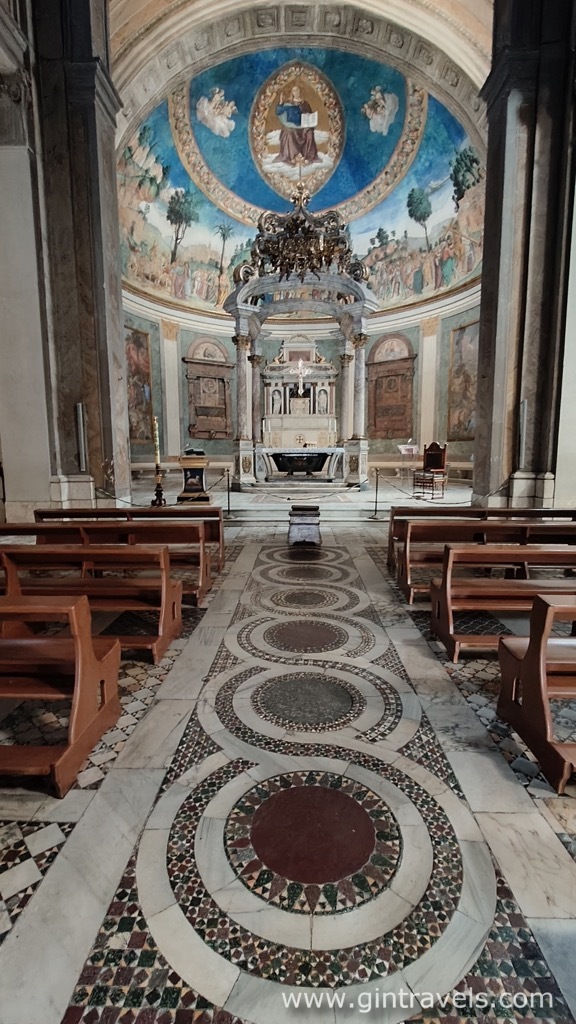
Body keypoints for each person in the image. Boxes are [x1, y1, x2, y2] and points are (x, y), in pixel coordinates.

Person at [274, 84, 320, 166]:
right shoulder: (288, 103)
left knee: (309, 133)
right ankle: (292, 157)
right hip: (292, 127)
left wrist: (310, 123)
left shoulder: (304, 103)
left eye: (298, 90)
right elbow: (278, 112)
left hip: (303, 127)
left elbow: (309, 115)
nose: (296, 92)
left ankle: (308, 157)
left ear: (300, 91)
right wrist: (280, 102)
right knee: (288, 131)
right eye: (294, 90)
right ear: (292, 93)